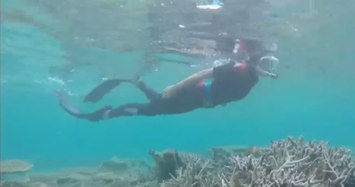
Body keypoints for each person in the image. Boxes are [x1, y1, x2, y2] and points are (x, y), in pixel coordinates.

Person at [56, 52, 279, 122]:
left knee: (158, 102)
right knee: (149, 109)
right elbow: (203, 73)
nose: (270, 67)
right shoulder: (239, 69)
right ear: (257, 61)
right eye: (267, 63)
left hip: (196, 100)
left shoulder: (250, 78)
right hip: (192, 95)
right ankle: (93, 116)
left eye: (272, 64)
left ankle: (134, 81)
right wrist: (177, 87)